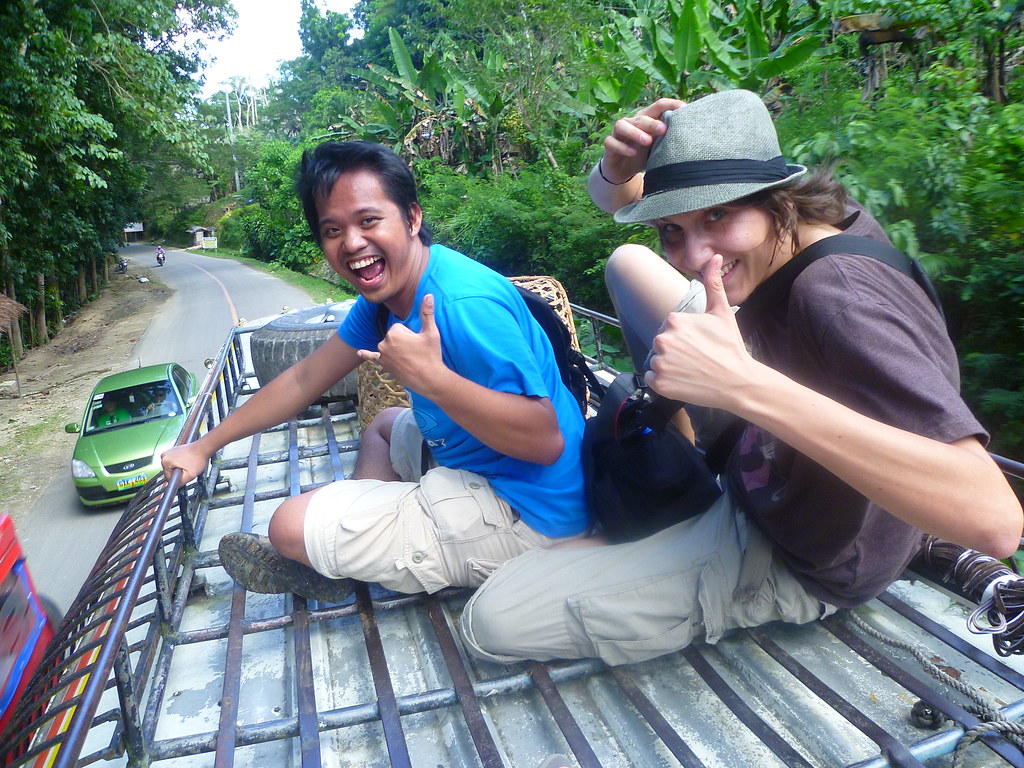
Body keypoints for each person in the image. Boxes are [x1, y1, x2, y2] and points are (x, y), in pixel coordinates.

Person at [458, 89, 1023, 667]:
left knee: (491, 619)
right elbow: (620, 201)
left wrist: (740, 385)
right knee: (628, 263)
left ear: (776, 199)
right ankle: (678, 464)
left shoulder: (841, 300)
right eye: (672, 229)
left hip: (804, 553)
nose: (694, 256)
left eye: (718, 215)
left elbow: (997, 522)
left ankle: (677, 513)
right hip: (773, 438)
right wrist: (615, 171)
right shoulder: (813, 218)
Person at [161, 140, 590, 602]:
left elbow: (545, 442)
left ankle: (343, 550)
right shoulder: (389, 295)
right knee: (383, 426)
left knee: (287, 526)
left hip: (533, 514)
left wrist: (433, 381)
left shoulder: (462, 305)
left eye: (368, 221)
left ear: (412, 218)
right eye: (332, 230)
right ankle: (355, 543)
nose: (351, 243)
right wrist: (203, 446)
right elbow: (305, 378)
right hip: (481, 461)